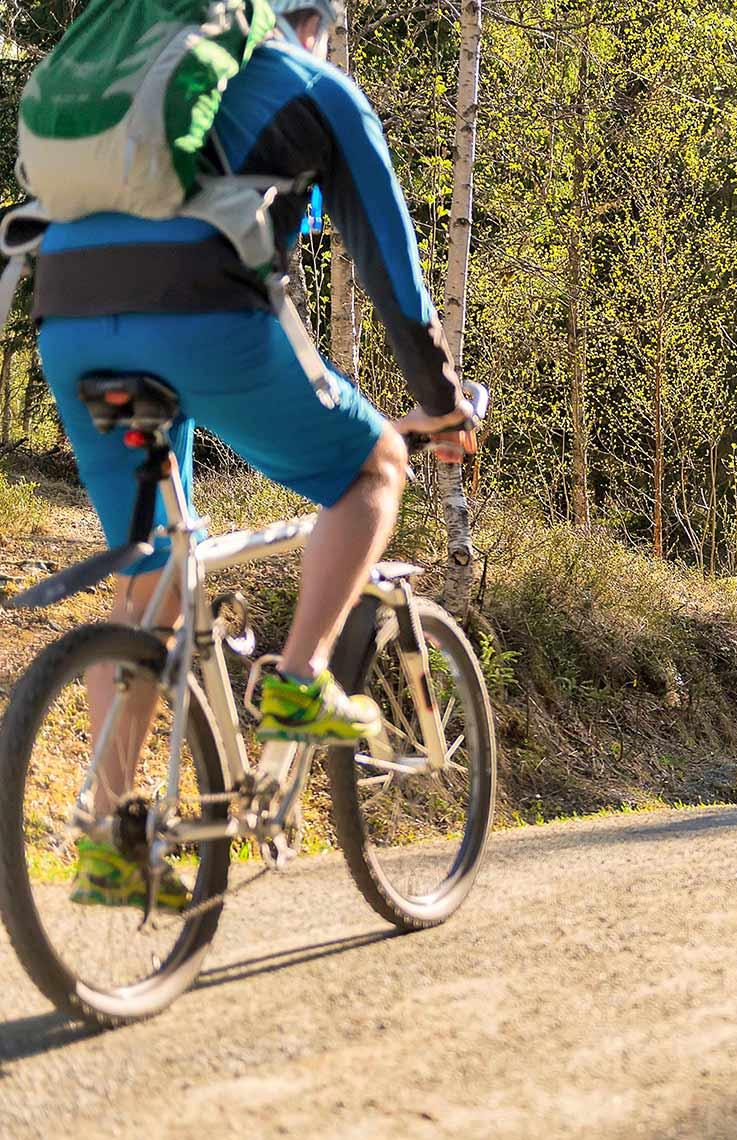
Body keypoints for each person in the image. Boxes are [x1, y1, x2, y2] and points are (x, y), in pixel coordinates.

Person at [24, 0, 474, 910]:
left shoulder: (140, 90)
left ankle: (108, 837)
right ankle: (300, 679)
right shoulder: (319, 87)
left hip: (67, 318)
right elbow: (393, 274)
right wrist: (441, 406)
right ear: (314, 25)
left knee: (151, 580)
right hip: (200, 316)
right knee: (375, 464)